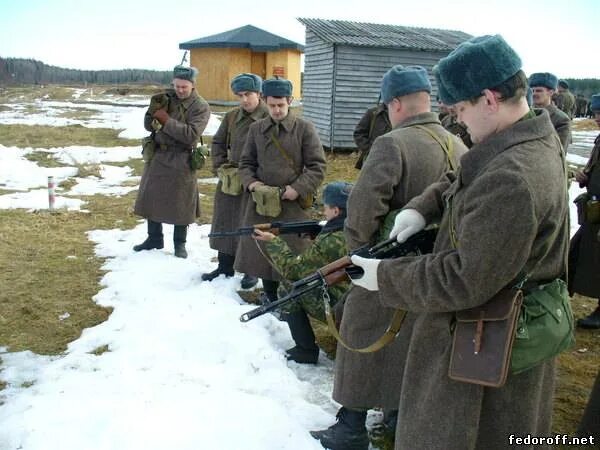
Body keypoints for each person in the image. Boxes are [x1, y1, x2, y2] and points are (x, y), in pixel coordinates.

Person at [350, 35, 569, 449]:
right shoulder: (528, 138)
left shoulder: (513, 176)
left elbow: (463, 279)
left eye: (461, 110)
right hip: (502, 334)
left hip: (482, 346)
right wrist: (421, 207)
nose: (460, 122)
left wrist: (385, 276)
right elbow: (465, 174)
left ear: (488, 98)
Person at [310, 65, 467, 450]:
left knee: (361, 333)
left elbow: (362, 210)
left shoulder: (392, 144)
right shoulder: (460, 145)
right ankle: (396, 416)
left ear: (395, 102)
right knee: (410, 341)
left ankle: (350, 426)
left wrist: (358, 254)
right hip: (431, 269)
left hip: (382, 264)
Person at [235, 78, 326, 304]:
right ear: (265, 101)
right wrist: (253, 184)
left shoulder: (304, 129)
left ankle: (293, 296)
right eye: (272, 105)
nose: (276, 110)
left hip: (292, 205)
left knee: (294, 249)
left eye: (281, 105)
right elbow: (245, 163)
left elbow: (318, 166)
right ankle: (270, 294)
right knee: (263, 252)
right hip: (262, 203)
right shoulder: (256, 129)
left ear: (290, 102)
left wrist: (297, 189)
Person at [253, 181, 353, 364]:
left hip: (345, 308)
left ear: (336, 211)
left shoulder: (332, 240)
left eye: (326, 207)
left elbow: (293, 270)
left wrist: (273, 241)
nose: (323, 211)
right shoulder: (357, 229)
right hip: (357, 299)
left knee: (290, 288)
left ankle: (305, 350)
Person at [133, 65, 210, 258]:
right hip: (158, 155)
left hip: (182, 158)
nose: (180, 90)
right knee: (152, 197)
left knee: (181, 202)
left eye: (184, 86)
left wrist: (166, 120)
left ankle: (179, 244)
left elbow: (190, 135)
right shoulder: (166, 99)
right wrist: (153, 110)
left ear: (192, 85)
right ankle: (154, 238)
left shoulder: (200, 106)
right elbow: (147, 126)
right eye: (177, 86)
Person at [202, 73, 269, 288]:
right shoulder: (232, 117)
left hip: (256, 182)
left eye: (248, 94)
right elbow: (219, 142)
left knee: (251, 225)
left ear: (259, 93)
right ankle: (225, 265)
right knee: (226, 220)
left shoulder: (269, 117)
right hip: (231, 180)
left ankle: (252, 270)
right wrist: (220, 166)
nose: (244, 100)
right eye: (239, 95)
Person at [569, 94, 600, 328]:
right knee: (577, 252)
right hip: (594, 211)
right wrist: (585, 177)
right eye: (596, 113)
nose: (597, 118)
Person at [529, 72, 572, 150]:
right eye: (532, 91)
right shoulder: (526, 114)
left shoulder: (561, 119)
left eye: (539, 91)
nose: (534, 94)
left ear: (551, 92)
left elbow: (560, 150)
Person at [353, 101, 391, 169]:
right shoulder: (373, 113)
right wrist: (370, 149)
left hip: (393, 159)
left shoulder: (402, 115)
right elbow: (358, 133)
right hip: (372, 159)